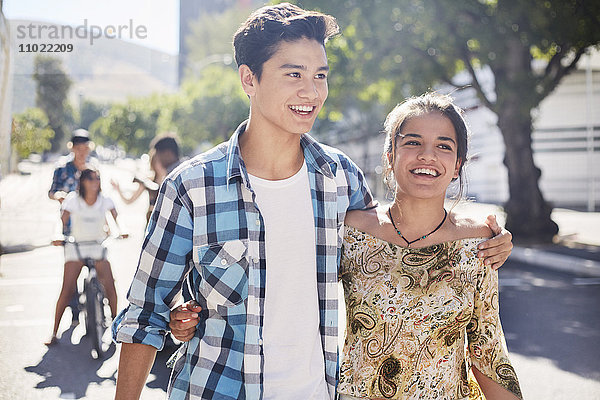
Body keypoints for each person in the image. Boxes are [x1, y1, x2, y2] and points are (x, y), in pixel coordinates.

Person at [113, 4, 513, 399]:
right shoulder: (191, 187)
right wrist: (180, 318)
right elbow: (143, 316)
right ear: (249, 79)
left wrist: (484, 233)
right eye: (294, 75)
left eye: (320, 75)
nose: (311, 91)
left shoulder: (341, 178)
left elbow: (401, 234)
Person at [336, 93, 522, 399]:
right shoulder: (350, 231)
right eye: (412, 142)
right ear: (390, 155)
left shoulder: (477, 243)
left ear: (458, 164)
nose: (427, 155)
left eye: (443, 146)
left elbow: (487, 352)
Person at [46, 168, 126, 345]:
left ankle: (116, 326)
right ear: (82, 182)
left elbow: (116, 219)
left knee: (110, 285)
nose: (94, 182)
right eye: (90, 179)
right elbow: (60, 222)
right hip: (77, 246)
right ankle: (54, 332)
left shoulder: (105, 200)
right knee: (67, 289)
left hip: (97, 245)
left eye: (97, 179)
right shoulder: (73, 200)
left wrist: (121, 231)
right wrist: (57, 235)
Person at [48, 128, 96, 326]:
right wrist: (58, 195)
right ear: (72, 148)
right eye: (78, 148)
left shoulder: (93, 169)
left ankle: (96, 303)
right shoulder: (62, 168)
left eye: (85, 148)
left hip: (92, 224)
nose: (82, 151)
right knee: (72, 272)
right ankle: (75, 309)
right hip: (69, 225)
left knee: (94, 265)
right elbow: (51, 191)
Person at [111, 134, 180, 222]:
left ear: (167, 153)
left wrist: (143, 182)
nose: (159, 161)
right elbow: (129, 201)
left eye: (159, 156)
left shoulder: (174, 175)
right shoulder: (153, 179)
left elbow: (161, 192)